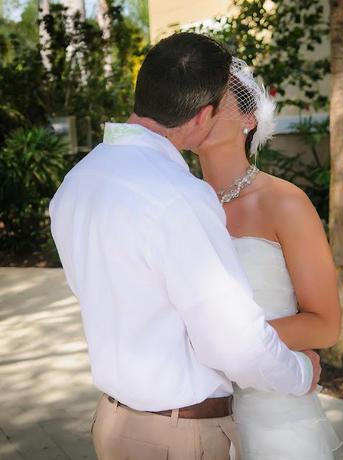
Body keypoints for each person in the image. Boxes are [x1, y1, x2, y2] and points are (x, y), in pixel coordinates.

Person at [49, 32, 321, 460]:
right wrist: (300, 372)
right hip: (177, 433)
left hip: (114, 422)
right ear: (203, 115)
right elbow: (231, 342)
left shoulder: (76, 182)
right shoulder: (180, 196)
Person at [195, 57, 343, 459]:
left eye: (214, 100)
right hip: (196, 413)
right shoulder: (181, 203)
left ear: (250, 118)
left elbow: (325, 325)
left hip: (274, 416)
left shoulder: (285, 202)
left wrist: (224, 344)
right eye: (193, 100)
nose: (200, 110)